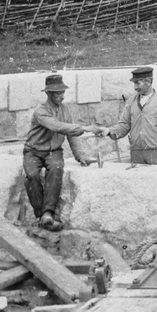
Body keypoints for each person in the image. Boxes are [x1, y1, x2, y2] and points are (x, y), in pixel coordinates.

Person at [22, 74, 101, 231]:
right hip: (33, 151)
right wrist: (84, 128)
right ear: (48, 93)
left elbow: (71, 135)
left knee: (56, 169)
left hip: (54, 151)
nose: (62, 96)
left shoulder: (65, 110)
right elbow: (57, 126)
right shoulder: (40, 111)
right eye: (58, 93)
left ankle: (48, 213)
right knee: (32, 175)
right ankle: (40, 215)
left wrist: (80, 156)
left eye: (62, 92)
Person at [100, 66, 157, 165]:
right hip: (136, 154)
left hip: (156, 153)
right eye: (134, 83)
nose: (135, 87)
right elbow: (124, 125)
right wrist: (109, 131)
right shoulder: (131, 101)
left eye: (137, 83)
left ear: (148, 81)